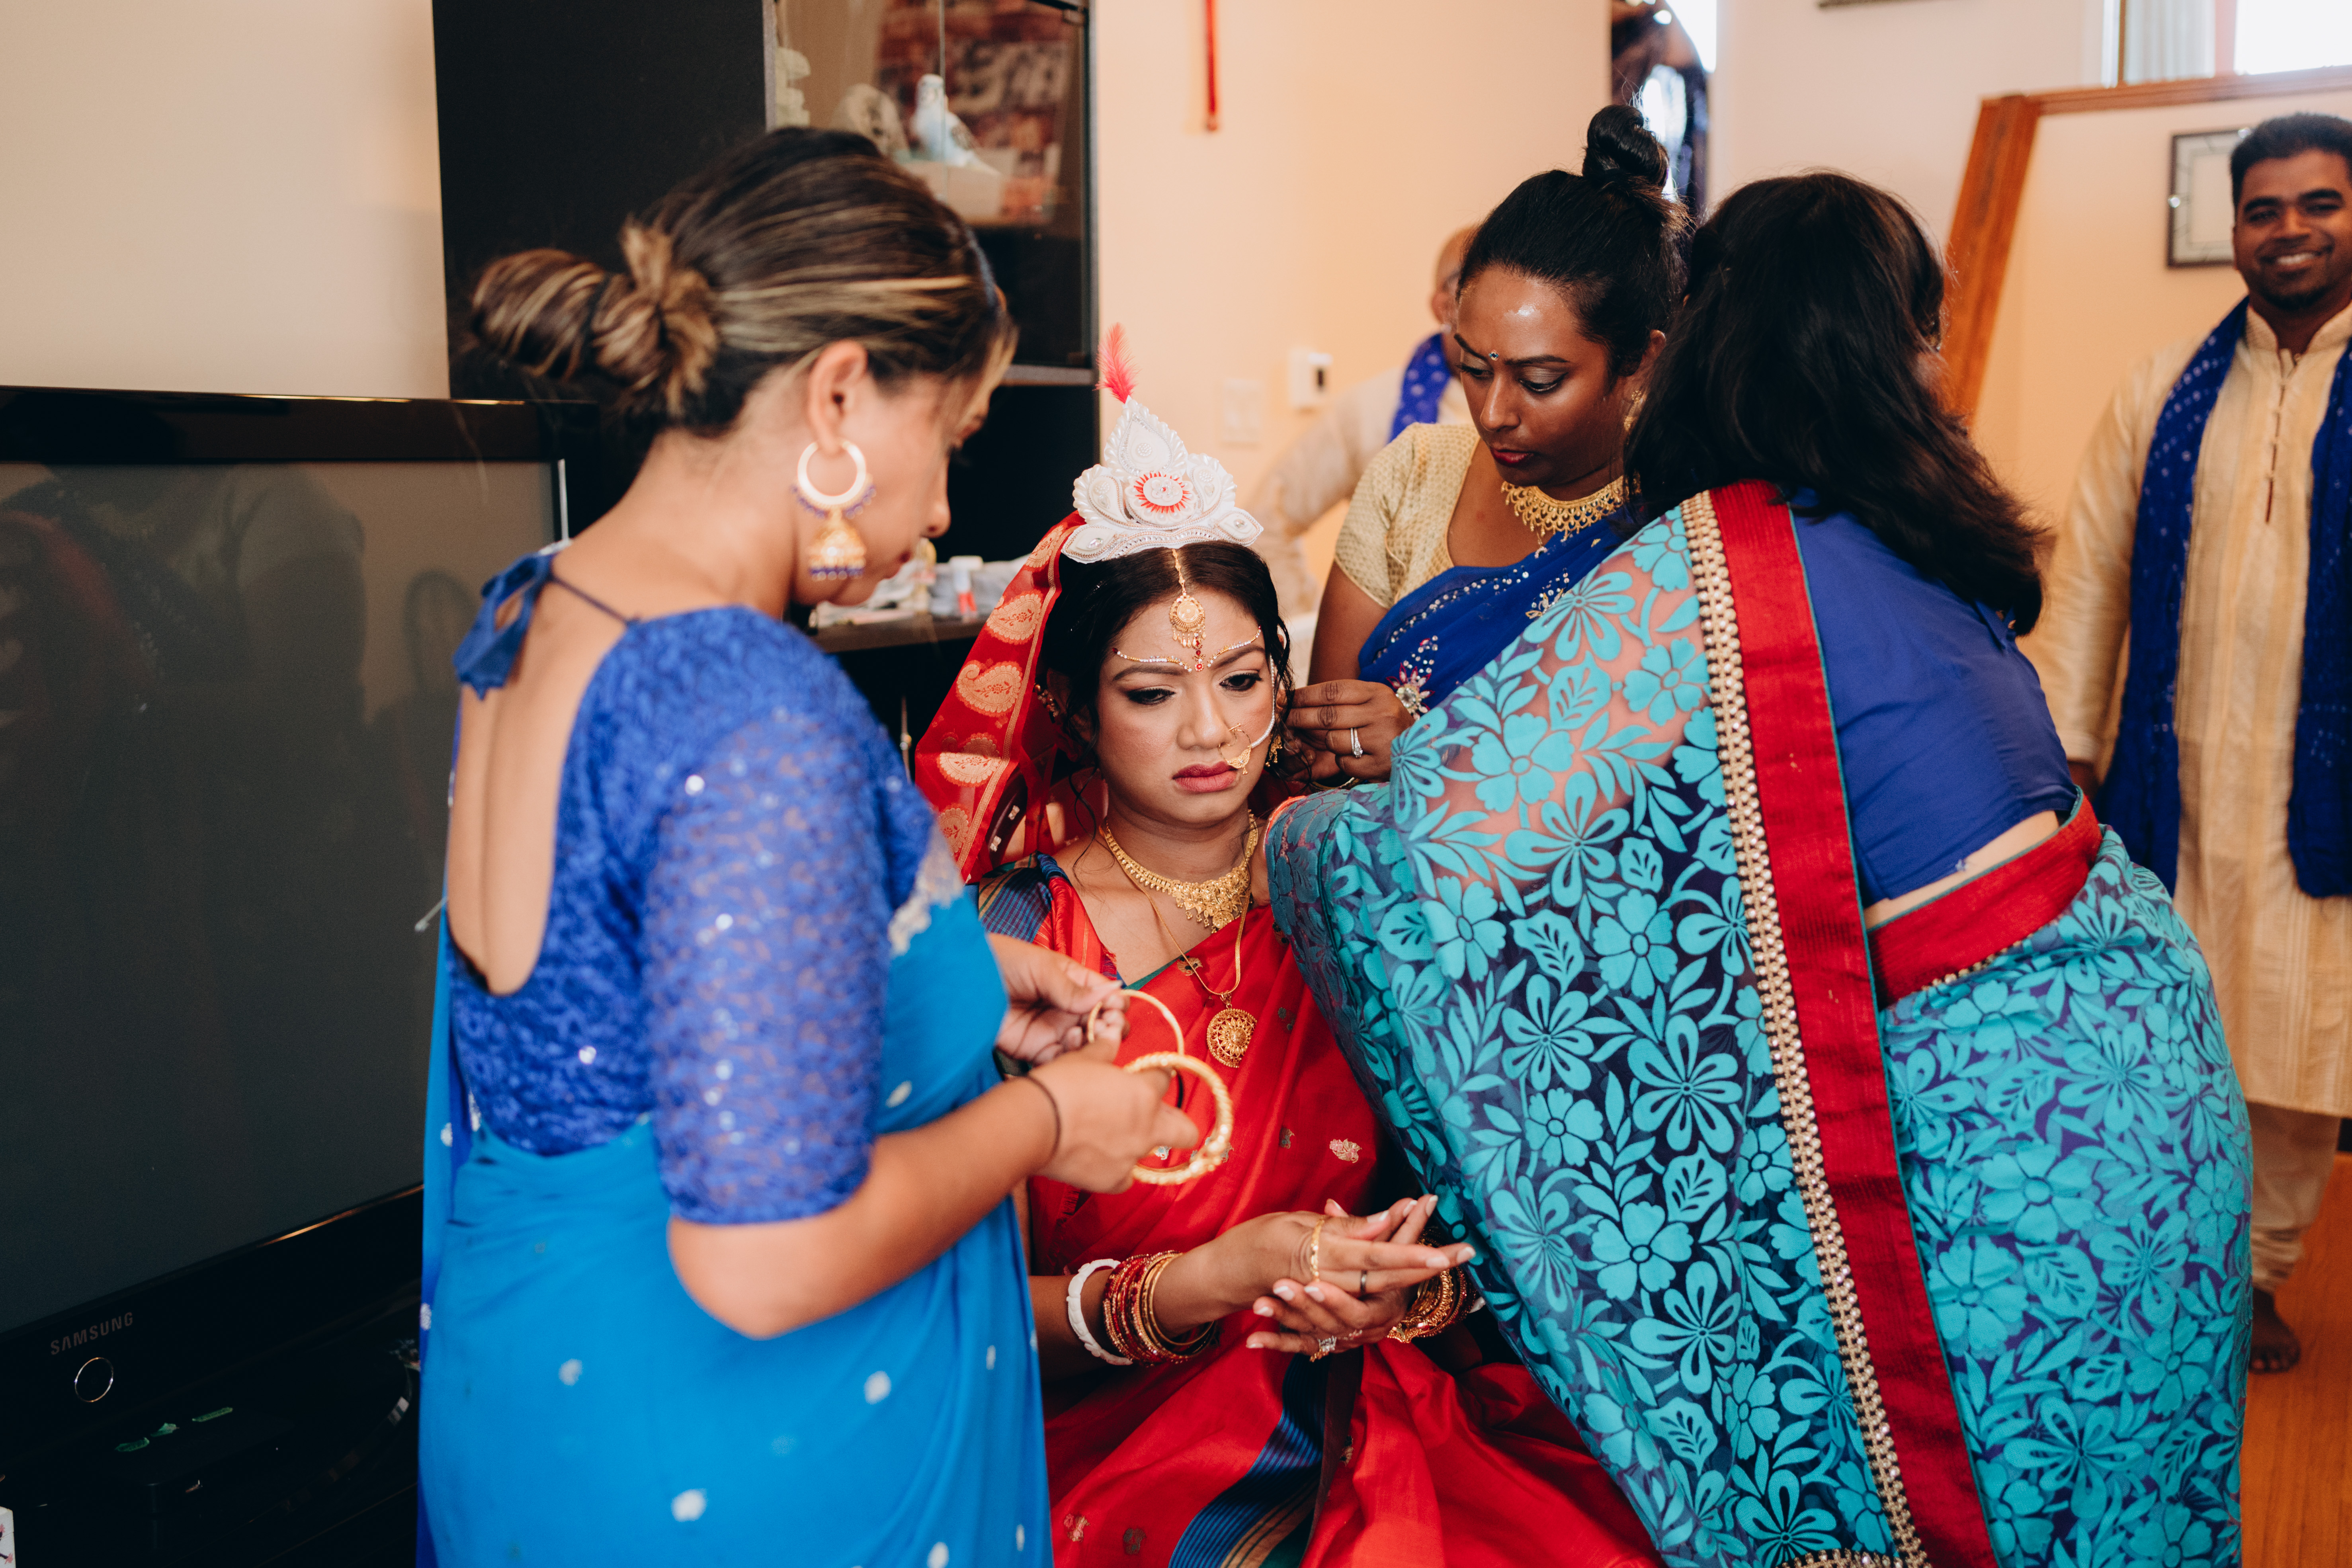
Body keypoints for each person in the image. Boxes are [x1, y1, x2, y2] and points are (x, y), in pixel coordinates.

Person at [1263, 172, 2250, 1568]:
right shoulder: (1912, 518)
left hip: (2002, 1134)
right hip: (2147, 1060)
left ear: (1684, 347)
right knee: (2115, 1498)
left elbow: (1420, 864)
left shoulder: (1709, 563)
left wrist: (1293, 838)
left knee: (1978, 1500)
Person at [416, 129, 1194, 1567]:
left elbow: (613, 993)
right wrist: (1049, 1120)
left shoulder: (538, 606)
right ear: (838, 392)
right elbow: (765, 1260)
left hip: (534, 1396)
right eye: (948, 439)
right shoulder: (749, 706)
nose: (944, 509)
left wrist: (951, 982)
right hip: (732, 1452)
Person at [914, 373, 1661, 1567]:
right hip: (1114, 1434)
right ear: (1070, 706)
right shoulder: (1011, 940)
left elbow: (1518, 1199)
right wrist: (1206, 1280)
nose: (1209, 731)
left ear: (1283, 671)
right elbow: (972, 1316)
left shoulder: (1368, 878)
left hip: (1387, 1398)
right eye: (1151, 692)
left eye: (1241, 678)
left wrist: (1413, 1287)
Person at [2028, 110, 2352, 1377]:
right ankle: (2171, 1265)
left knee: (2298, 1037)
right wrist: (2063, 755)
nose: (2289, 230)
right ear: (2233, 230)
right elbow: (2088, 583)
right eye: (2264, 208)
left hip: (2324, 791)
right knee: (2170, 1038)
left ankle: (2257, 1272)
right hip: (2177, 784)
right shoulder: (2160, 389)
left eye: (2318, 203)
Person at [1291, 105, 1681, 787]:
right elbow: (1322, 757)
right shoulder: (1411, 473)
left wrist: (1434, 748)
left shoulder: (1677, 515)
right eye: (1473, 368)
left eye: (1539, 380)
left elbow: (1662, 782)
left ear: (1640, 362)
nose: (1494, 414)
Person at [1246, 226, 1476, 618]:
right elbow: (1266, 522)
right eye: (1473, 284)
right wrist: (1306, 626)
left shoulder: (1542, 407)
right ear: (1442, 305)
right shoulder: (1371, 409)